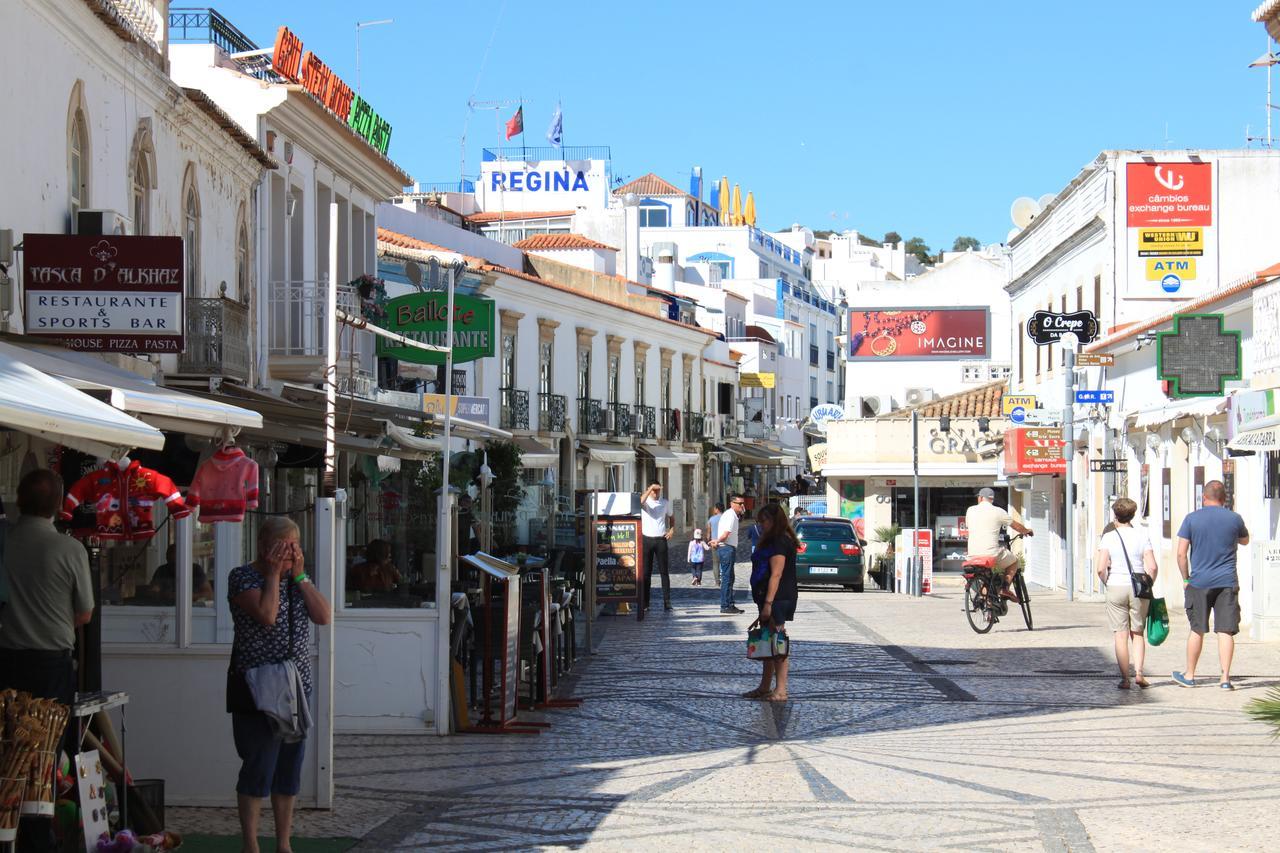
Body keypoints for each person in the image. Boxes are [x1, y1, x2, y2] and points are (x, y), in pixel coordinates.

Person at [0, 470, 93, 853]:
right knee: (45, 752)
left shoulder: (4, 540)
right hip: (52, 664)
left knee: (7, 746)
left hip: (6, 660)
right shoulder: (69, 549)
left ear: (19, 500)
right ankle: (39, 838)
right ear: (58, 505)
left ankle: (7, 832)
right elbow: (84, 613)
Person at [228, 517, 332, 853]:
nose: (290, 557)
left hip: (295, 686)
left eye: (294, 550)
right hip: (257, 686)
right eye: (283, 551)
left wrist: (299, 576)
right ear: (264, 547)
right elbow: (267, 615)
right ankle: (251, 844)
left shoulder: (297, 579)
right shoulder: (242, 576)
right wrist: (273, 574)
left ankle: (284, 843)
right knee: (259, 765)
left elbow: (324, 616)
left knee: (289, 766)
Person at [1173, 480, 1248, 690]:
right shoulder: (1234, 519)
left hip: (1199, 582)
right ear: (1224, 498)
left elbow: (1181, 554)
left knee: (1197, 629)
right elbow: (1245, 540)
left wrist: (1186, 579)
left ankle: (1189, 675)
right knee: (1225, 630)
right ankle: (1225, 679)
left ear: (1203, 498)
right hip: (1227, 581)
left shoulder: (1191, 519)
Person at [1095, 498, 1158, 690]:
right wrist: (1148, 583)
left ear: (1115, 515)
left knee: (1120, 635)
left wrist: (1107, 581)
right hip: (1138, 588)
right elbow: (1153, 567)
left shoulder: (1108, 537)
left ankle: (1125, 678)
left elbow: (1100, 568)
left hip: (1116, 585)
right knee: (1137, 633)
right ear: (1133, 515)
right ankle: (1139, 673)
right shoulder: (1142, 535)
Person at [742, 503, 799, 702]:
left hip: (777, 598)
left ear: (774, 521)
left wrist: (768, 603)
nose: (761, 525)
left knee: (778, 642)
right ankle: (765, 687)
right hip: (768, 598)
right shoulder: (771, 540)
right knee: (768, 643)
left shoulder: (780, 542)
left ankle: (781, 689)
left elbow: (776, 574)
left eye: (764, 520)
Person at [965, 487, 1033, 600]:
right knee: (1014, 561)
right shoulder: (998, 511)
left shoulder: (970, 510)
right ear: (991, 499)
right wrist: (1026, 531)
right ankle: (1005, 587)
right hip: (991, 554)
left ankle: (988, 603)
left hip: (972, 555)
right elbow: (1015, 525)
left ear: (981, 498)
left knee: (986, 576)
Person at [639, 482, 674, 611]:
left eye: (657, 490)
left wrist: (671, 530)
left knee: (664, 572)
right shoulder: (645, 502)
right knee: (646, 573)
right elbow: (639, 502)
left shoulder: (665, 502)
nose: (656, 493)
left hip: (660, 540)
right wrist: (649, 490)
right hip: (646, 539)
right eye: (654, 490)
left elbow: (671, 517)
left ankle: (667, 601)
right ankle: (645, 602)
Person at [149, 543, 214, 603]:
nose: (175, 566)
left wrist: (185, 597)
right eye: (171, 562)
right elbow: (153, 592)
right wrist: (165, 595)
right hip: (167, 609)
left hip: (192, 609)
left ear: (184, 558)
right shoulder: (162, 570)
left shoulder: (195, 569)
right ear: (167, 559)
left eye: (177, 561)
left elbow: (209, 594)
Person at [714, 495, 746, 614]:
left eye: (743, 503)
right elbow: (726, 533)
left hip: (728, 548)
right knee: (727, 578)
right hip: (726, 548)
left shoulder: (732, 515)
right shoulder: (730, 515)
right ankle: (725, 605)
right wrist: (717, 541)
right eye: (740, 504)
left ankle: (730, 604)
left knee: (730, 577)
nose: (742, 506)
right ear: (732, 503)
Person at [705, 503, 723, 585]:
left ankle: (717, 581)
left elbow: (708, 533)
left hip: (714, 543)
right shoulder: (725, 518)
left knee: (715, 562)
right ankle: (724, 579)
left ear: (717, 509)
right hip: (724, 543)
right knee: (724, 562)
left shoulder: (711, 519)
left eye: (715, 508)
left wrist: (708, 540)